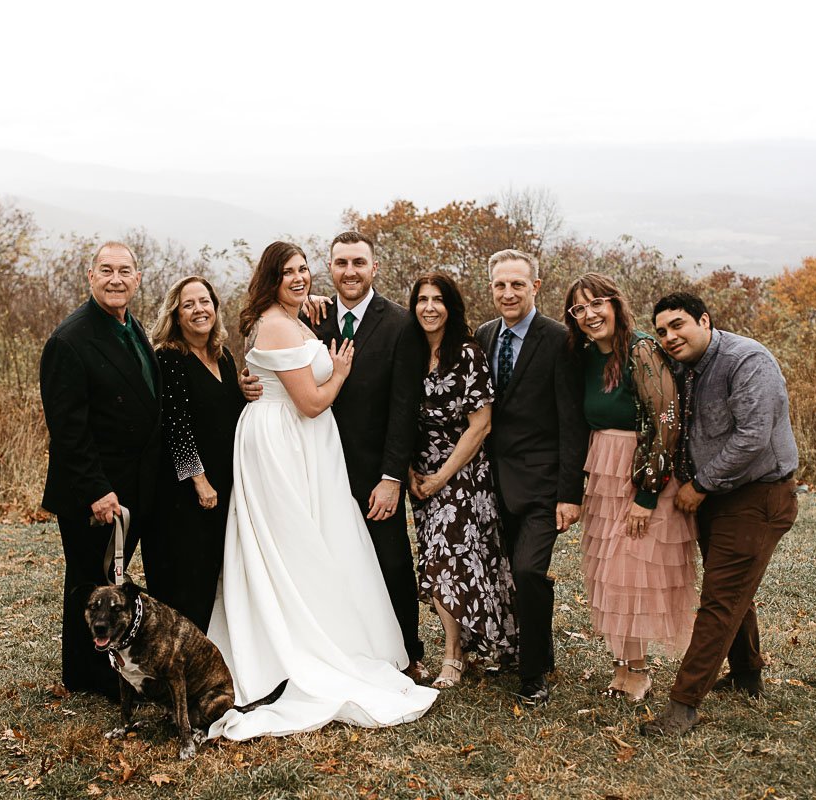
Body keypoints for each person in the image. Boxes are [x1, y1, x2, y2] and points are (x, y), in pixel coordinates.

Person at [207, 241, 437, 740]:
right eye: (290, 271)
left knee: (383, 559)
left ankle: (406, 652)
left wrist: (393, 474)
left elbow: (403, 406)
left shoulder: (385, 321)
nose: (301, 278)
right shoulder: (291, 318)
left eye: (303, 269)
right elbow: (305, 397)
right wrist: (338, 374)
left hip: (353, 462)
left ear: (374, 267)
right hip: (288, 449)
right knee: (297, 546)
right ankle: (297, 643)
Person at [641, 292, 799, 736]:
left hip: (758, 495)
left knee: (720, 599)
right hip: (718, 500)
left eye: (678, 325)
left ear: (704, 320)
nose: (670, 337)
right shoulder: (684, 368)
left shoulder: (747, 360)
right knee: (731, 588)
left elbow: (753, 436)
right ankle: (748, 676)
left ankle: (682, 707)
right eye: (662, 331)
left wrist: (701, 484)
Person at [564, 273, 697, 703]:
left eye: (596, 304)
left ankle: (638, 671)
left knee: (632, 570)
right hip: (603, 470)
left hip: (640, 472)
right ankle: (621, 666)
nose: (589, 315)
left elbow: (666, 423)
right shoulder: (585, 357)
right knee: (609, 572)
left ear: (615, 304)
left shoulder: (641, 350)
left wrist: (646, 495)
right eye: (579, 309)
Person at [39, 241, 161, 698]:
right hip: (95, 491)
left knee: (111, 577)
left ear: (137, 278)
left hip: (132, 483)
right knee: (89, 582)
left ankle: (104, 666)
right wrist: (96, 489)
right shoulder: (70, 339)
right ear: (90, 276)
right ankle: (87, 676)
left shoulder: (133, 327)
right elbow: (68, 428)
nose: (116, 279)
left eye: (124, 271)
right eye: (106, 270)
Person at [474, 249, 588, 703]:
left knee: (527, 571)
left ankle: (534, 671)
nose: (508, 293)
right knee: (501, 572)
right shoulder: (483, 335)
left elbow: (571, 422)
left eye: (517, 284)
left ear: (535, 287)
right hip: (491, 482)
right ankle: (511, 647)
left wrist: (569, 493)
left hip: (542, 485)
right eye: (500, 285)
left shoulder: (560, 340)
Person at [406, 273, 518, 688]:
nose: (429, 307)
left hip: (463, 472)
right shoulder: (410, 354)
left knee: (446, 559)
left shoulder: (467, 354)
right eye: (422, 300)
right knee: (455, 561)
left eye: (438, 300)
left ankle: (452, 656)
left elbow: (481, 425)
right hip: (420, 474)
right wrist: (411, 473)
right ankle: (467, 647)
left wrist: (441, 478)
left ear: (451, 306)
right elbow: (396, 414)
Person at [146, 276, 245, 631]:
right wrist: (199, 480)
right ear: (176, 314)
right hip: (185, 491)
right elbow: (176, 426)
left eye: (204, 301)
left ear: (215, 307)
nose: (198, 310)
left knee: (213, 572)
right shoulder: (169, 358)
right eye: (188, 305)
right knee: (187, 576)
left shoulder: (224, 356)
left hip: (224, 482)